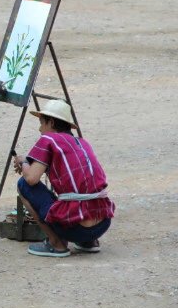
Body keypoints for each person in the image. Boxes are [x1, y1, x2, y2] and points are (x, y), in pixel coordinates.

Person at [14, 99, 114, 258]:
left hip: (75, 228)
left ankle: (57, 244)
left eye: (41, 123)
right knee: (78, 191)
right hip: (103, 223)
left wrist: (23, 161)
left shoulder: (48, 140)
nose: (40, 129)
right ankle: (90, 242)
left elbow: (31, 179)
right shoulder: (81, 142)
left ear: (51, 122)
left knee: (23, 185)